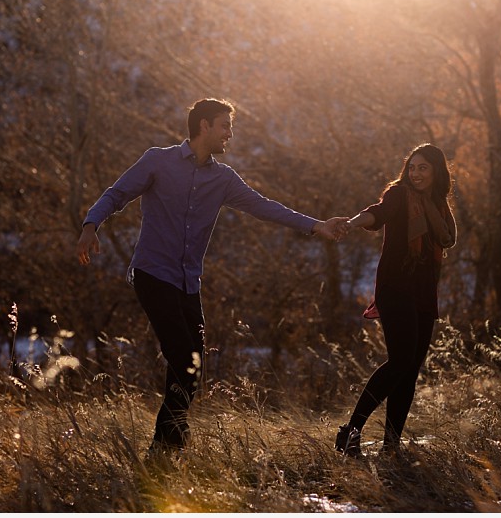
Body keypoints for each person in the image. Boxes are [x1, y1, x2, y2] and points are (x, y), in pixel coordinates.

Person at [75, 98, 347, 455]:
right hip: (153, 273)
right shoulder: (158, 160)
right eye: (224, 126)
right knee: (183, 354)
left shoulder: (223, 178)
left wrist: (316, 226)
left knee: (194, 362)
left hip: (188, 281)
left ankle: (169, 440)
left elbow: (263, 207)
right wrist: (90, 225)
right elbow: (117, 193)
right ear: (204, 125)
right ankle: (165, 444)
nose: (230, 134)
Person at [334, 143, 456, 457]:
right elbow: (378, 213)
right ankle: (351, 431)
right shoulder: (398, 195)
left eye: (423, 168)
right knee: (400, 361)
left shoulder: (438, 204)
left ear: (436, 172)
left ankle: (391, 446)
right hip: (395, 288)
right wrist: (352, 222)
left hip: (424, 292)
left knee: (410, 369)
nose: (415, 173)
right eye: (412, 167)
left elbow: (447, 239)